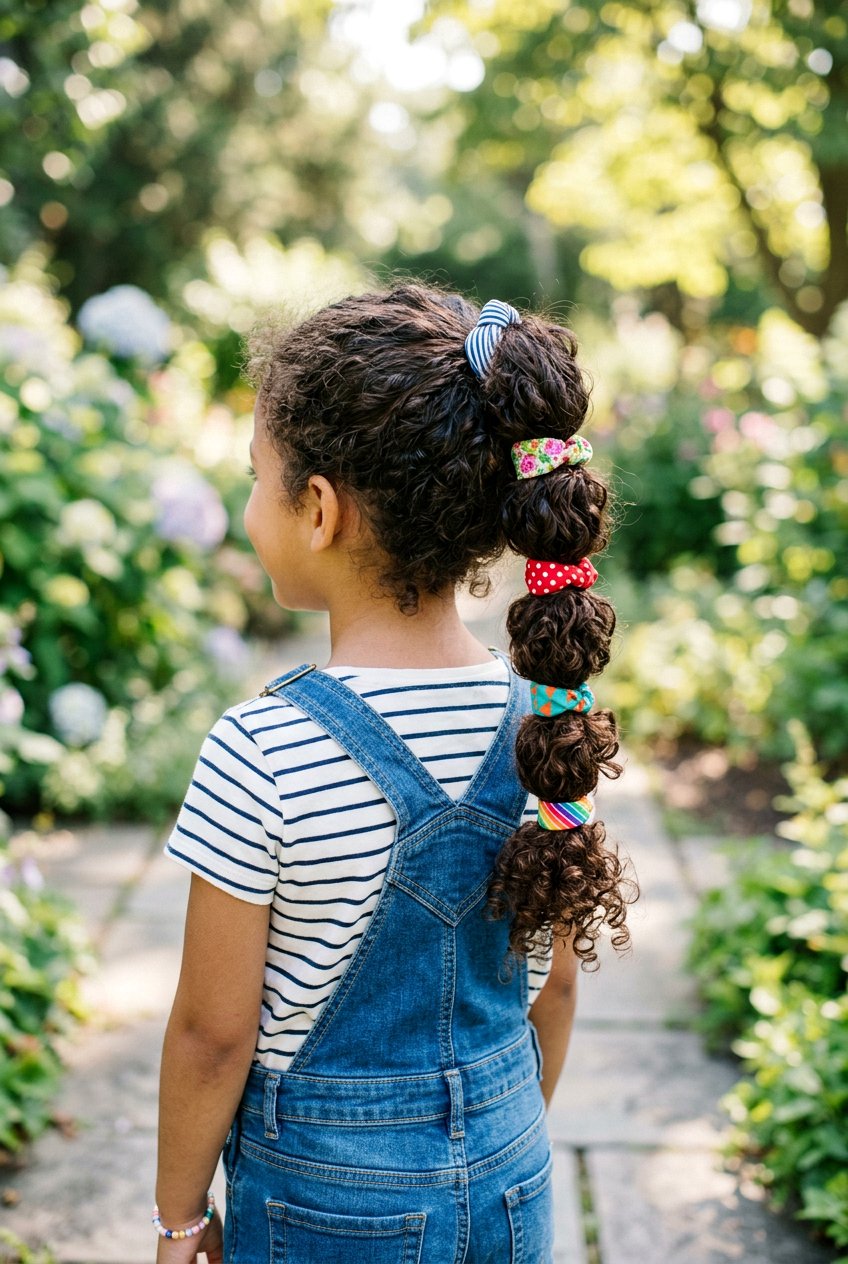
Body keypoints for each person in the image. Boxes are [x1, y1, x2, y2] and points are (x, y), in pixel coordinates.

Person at [153, 285, 635, 1263]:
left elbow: (211, 1033)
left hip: (325, 1199)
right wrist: (486, 1140)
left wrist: (180, 1217)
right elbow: (553, 991)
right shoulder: (543, 723)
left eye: (257, 476)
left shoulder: (259, 751)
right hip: (510, 1166)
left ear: (318, 510)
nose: (250, 504)